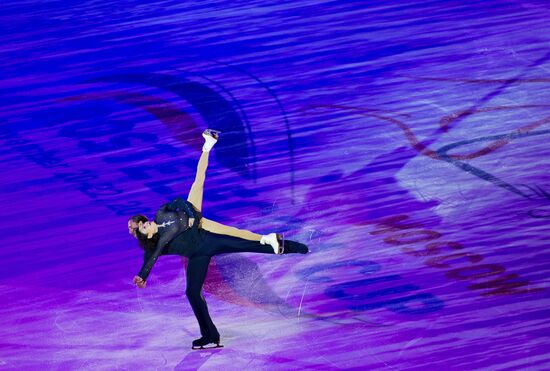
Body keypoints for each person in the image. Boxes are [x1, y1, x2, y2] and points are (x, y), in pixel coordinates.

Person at [127, 129, 309, 350]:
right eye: (143, 229)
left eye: (144, 222)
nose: (147, 225)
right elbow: (150, 259)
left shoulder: (162, 212)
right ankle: (210, 335)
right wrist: (142, 276)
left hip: (202, 229)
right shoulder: (156, 245)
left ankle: (284, 245)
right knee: (192, 293)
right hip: (197, 256)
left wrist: (193, 216)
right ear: (145, 235)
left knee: (205, 192)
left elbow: (178, 202)